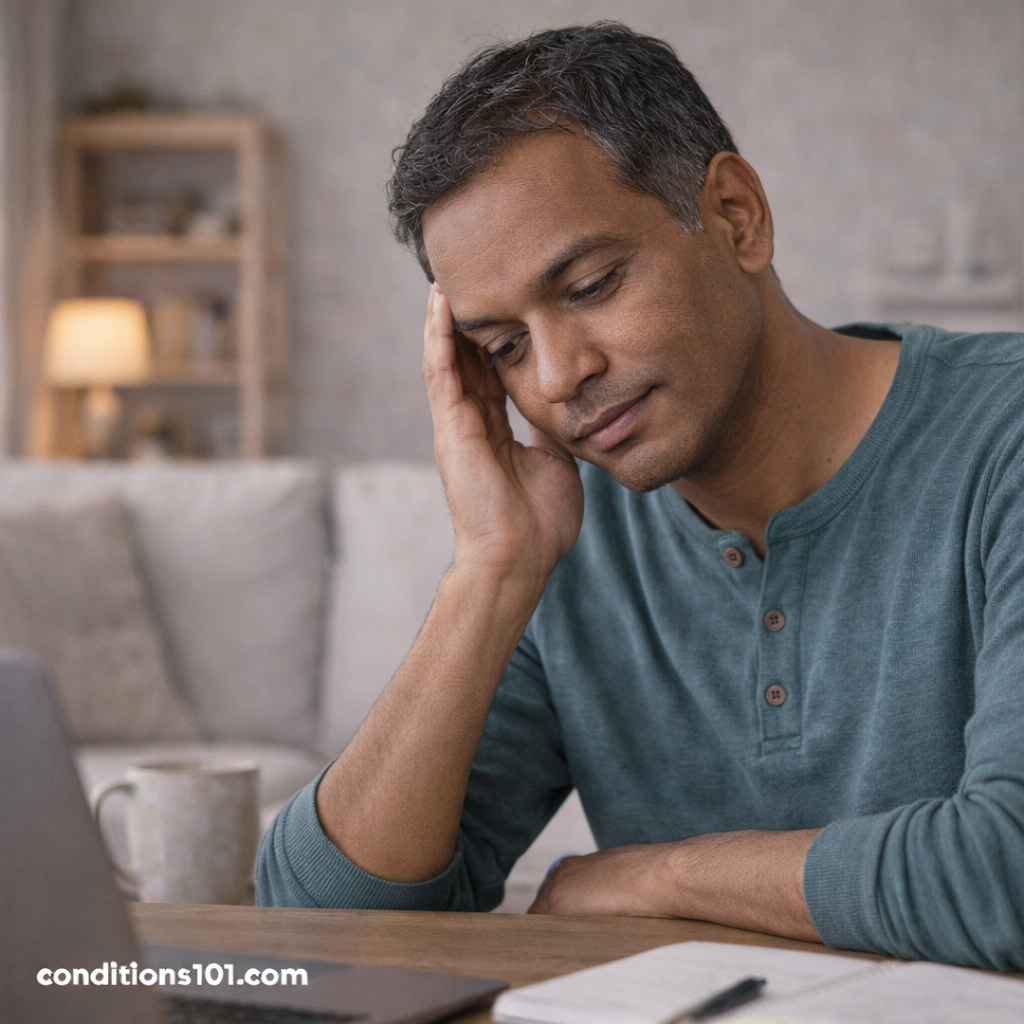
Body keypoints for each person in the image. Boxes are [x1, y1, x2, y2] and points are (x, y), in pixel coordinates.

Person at [257, 23, 1023, 970]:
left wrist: (661, 877)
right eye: (502, 348)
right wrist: (491, 573)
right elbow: (315, 923)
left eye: (590, 285)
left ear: (737, 216)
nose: (559, 375)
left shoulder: (1005, 440)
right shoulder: (570, 539)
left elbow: (1009, 874)